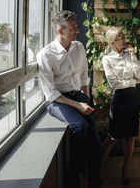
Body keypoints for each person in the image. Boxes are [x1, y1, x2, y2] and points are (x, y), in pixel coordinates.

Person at [36, 10, 101, 188]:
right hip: (57, 100)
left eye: (76, 27)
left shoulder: (78, 47)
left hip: (78, 95)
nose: (77, 31)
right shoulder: (45, 55)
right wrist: (78, 105)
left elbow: (83, 76)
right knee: (80, 126)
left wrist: (86, 99)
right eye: (73, 28)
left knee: (96, 143)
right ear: (60, 30)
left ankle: (95, 181)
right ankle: (75, 174)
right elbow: (50, 92)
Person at [100, 28, 140, 186]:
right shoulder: (107, 59)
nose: (124, 40)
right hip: (120, 99)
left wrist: (133, 56)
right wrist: (132, 82)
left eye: (124, 36)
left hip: (133, 98)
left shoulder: (129, 53)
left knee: (130, 136)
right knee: (113, 136)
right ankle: (100, 166)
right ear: (112, 43)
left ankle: (125, 169)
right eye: (120, 38)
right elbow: (114, 84)